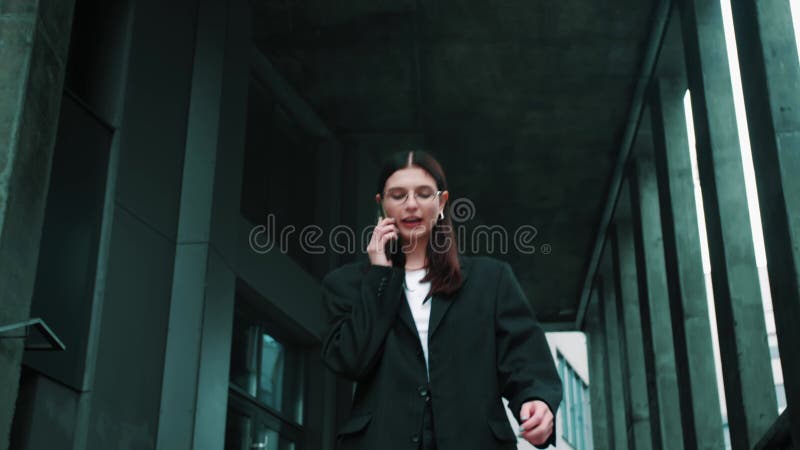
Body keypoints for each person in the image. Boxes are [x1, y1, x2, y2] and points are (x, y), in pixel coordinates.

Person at [320, 150, 563, 450]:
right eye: (397, 195)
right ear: (381, 204)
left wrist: (536, 400)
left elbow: (525, 357)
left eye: (423, 194)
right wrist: (379, 276)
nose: (411, 205)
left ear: (442, 202)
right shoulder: (348, 285)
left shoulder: (491, 279)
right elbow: (350, 360)